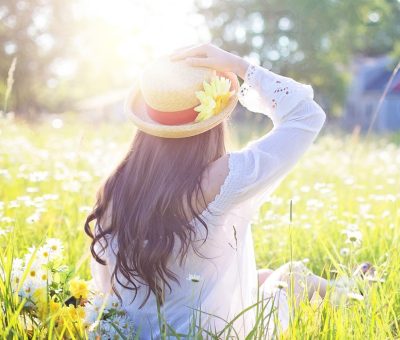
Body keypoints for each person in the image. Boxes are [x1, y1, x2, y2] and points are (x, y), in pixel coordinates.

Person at [85, 44, 347, 339]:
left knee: (260, 278)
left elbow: (105, 286)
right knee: (292, 276)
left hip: (133, 333)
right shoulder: (221, 178)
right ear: (213, 119)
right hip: (212, 334)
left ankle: (354, 286)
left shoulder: (115, 186)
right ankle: (358, 296)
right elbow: (306, 115)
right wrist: (240, 66)